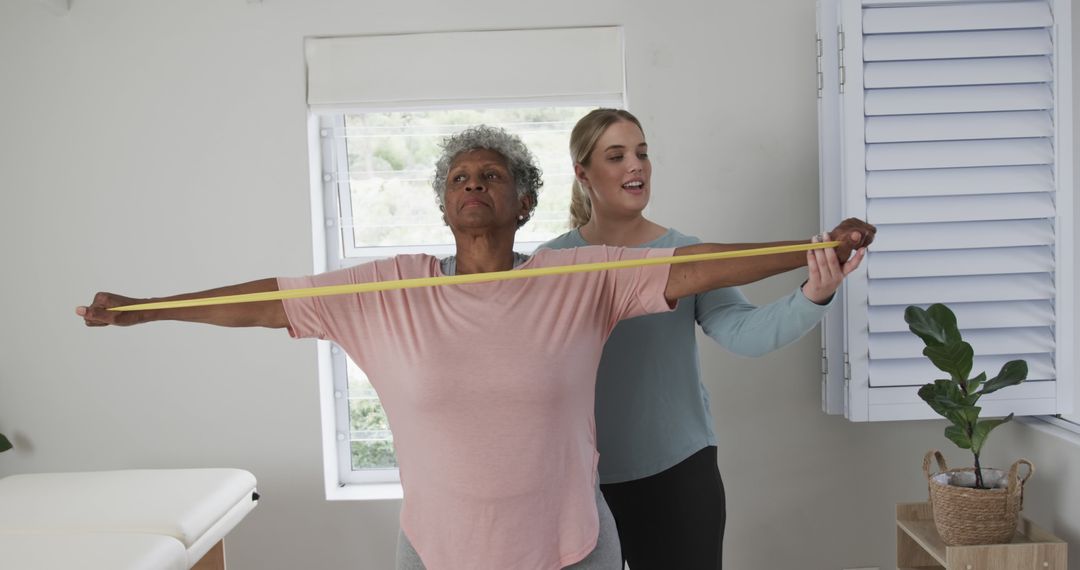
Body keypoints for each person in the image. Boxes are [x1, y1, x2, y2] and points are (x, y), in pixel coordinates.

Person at [76, 125, 874, 570]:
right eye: (459, 176)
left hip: (574, 545)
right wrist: (149, 309)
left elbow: (697, 267)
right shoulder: (387, 290)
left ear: (526, 202)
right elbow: (264, 303)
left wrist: (815, 249)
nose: (473, 184)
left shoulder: (576, 278)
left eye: (493, 175)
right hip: (438, 552)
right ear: (443, 205)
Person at [539, 108, 871, 569]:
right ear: (582, 173)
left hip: (679, 474)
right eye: (616, 156)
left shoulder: (686, 253)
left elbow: (744, 334)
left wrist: (815, 292)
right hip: (580, 482)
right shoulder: (551, 262)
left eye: (642, 153)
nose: (635, 166)